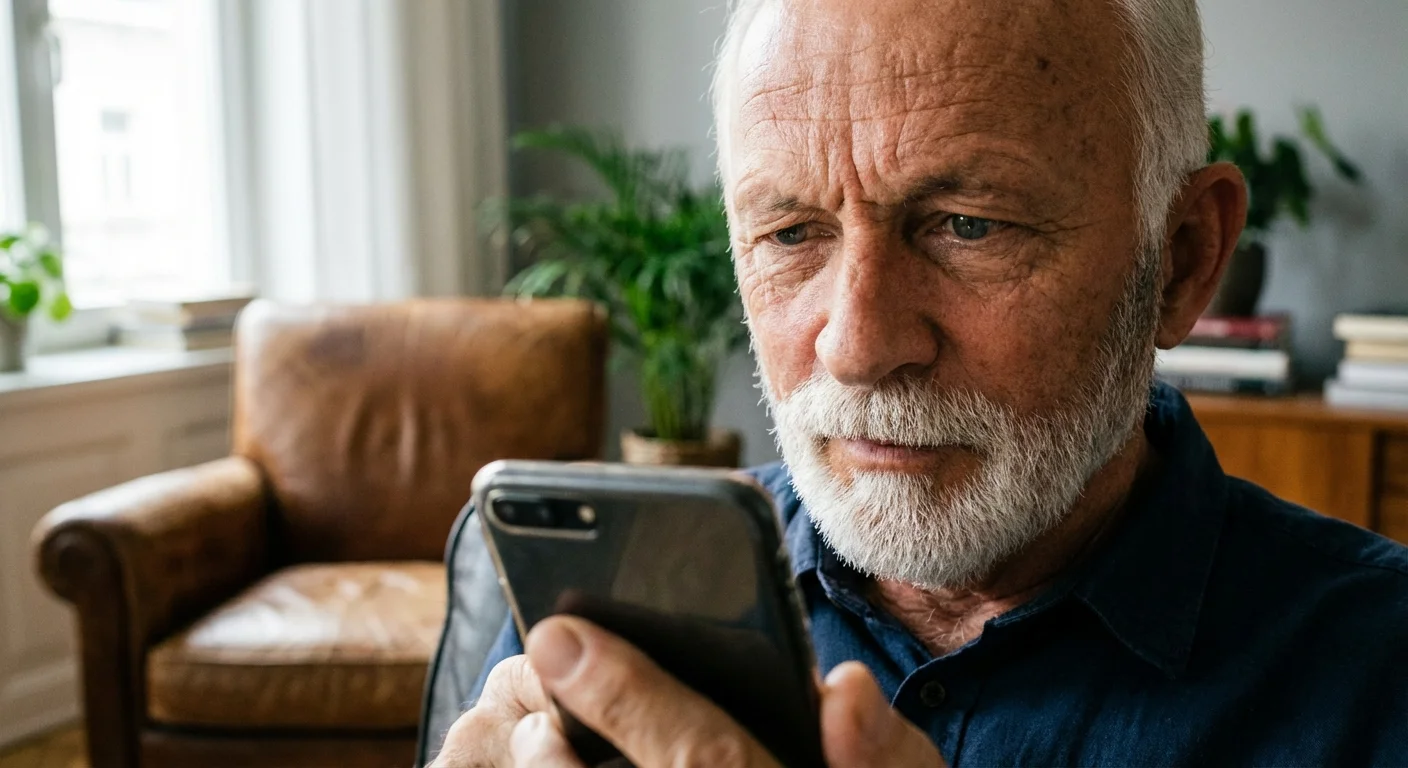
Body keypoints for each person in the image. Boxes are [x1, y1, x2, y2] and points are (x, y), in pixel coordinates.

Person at [433, 0, 1408, 765]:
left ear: (1185, 258)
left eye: (968, 225)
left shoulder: (1379, 678)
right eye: (788, 232)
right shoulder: (608, 609)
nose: (856, 346)